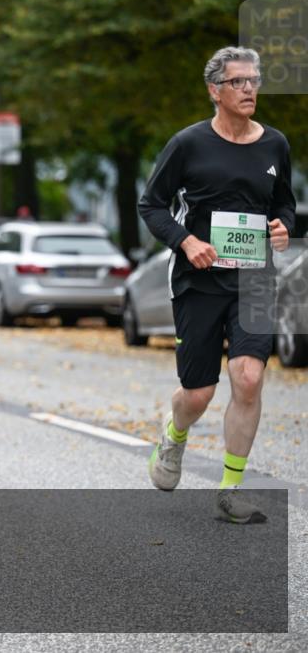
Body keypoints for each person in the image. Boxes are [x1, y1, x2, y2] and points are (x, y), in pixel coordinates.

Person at [139, 47, 294, 523]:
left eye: (254, 80)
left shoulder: (275, 145)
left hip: (254, 278)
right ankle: (175, 433)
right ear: (214, 91)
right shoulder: (188, 144)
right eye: (238, 82)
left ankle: (230, 489)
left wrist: (283, 227)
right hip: (199, 280)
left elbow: (284, 204)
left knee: (248, 378)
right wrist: (185, 242)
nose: (249, 89)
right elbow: (152, 205)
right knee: (198, 393)